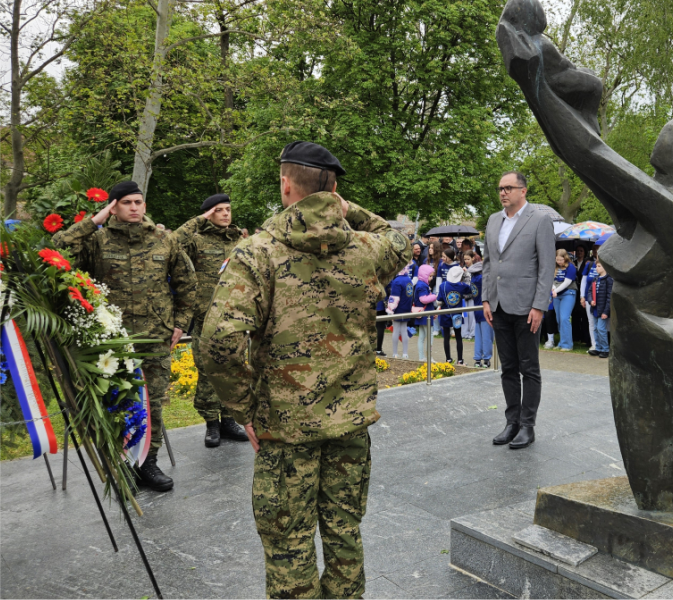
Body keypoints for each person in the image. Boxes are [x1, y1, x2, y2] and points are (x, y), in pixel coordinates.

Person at [200, 141, 411, 599]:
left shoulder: (256, 253)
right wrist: (348, 209)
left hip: (285, 428)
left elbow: (218, 344)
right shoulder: (366, 248)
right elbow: (400, 240)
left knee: (288, 544)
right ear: (334, 190)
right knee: (344, 532)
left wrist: (245, 409)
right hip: (349, 423)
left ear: (285, 184)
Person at [52, 180, 198, 492]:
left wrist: (180, 323)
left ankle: (148, 463)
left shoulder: (165, 240)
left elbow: (187, 282)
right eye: (126, 202)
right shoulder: (97, 240)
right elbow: (58, 251)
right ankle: (122, 466)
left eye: (138, 202)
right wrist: (94, 221)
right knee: (116, 400)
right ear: (113, 207)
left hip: (155, 336)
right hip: (111, 340)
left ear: (145, 205)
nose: (134, 208)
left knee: (153, 402)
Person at [482, 171, 555, 450]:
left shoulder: (539, 220)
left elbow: (546, 267)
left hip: (526, 307)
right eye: (500, 188)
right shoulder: (493, 220)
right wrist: (486, 299)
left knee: (529, 368)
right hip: (498, 305)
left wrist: (539, 305)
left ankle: (527, 426)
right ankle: (511, 422)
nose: (503, 192)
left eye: (508, 188)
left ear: (523, 191)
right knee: (508, 368)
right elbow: (488, 264)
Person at [173, 193, 249, 447]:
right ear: (207, 214)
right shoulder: (196, 240)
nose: (226, 213)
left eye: (228, 209)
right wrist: (199, 220)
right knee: (206, 370)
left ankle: (228, 420)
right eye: (219, 210)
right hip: (205, 317)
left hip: (234, 317)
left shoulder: (239, 240)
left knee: (232, 368)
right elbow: (172, 245)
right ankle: (211, 424)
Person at [437, 265, 469, 365]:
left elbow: (439, 301)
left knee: (446, 337)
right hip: (457, 314)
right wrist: (466, 274)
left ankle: (448, 359)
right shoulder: (462, 286)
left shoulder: (443, 285)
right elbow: (470, 288)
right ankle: (460, 360)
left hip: (445, 313)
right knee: (458, 336)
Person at [468, 254, 493, 368]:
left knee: (478, 336)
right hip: (485, 310)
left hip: (476, 310)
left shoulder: (473, 279)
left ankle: (477, 359)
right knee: (487, 336)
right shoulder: (481, 279)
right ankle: (487, 359)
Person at [584, 259, 613, 358]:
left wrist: (606, 311)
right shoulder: (595, 279)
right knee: (595, 328)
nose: (597, 268)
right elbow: (589, 292)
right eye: (596, 266)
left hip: (603, 309)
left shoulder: (608, 280)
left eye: (599, 266)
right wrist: (590, 300)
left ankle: (605, 349)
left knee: (601, 329)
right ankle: (598, 347)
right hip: (595, 308)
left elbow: (609, 297)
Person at [551, 249, 577, 351]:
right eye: (557, 260)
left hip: (568, 293)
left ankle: (567, 344)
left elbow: (567, 282)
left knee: (564, 318)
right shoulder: (554, 266)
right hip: (556, 294)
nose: (559, 262)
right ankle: (562, 342)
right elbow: (551, 279)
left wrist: (555, 291)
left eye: (561, 260)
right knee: (558, 319)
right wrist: (553, 289)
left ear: (565, 258)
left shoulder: (571, 267)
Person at [387, 265, 414, 358]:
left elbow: (394, 298)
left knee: (396, 330)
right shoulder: (409, 280)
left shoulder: (397, 281)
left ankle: (395, 353)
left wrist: (390, 310)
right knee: (404, 330)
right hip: (407, 308)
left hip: (398, 309)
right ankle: (405, 353)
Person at [413, 264, 437, 360]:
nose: (431, 278)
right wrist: (434, 296)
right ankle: (429, 358)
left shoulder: (420, 284)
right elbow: (423, 299)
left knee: (422, 337)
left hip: (422, 313)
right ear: (424, 275)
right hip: (426, 314)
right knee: (429, 336)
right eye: (430, 276)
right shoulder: (422, 285)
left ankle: (421, 357)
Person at [580, 247, 600, 354]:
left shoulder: (607, 265)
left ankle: (603, 345)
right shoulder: (590, 264)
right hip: (589, 297)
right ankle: (594, 344)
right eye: (595, 250)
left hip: (601, 298)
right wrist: (582, 296)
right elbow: (583, 281)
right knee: (591, 321)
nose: (596, 252)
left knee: (602, 322)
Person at [572, 245, 591, 345]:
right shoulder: (573, 262)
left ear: (584, 252)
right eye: (578, 251)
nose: (579, 252)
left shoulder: (588, 262)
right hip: (575, 290)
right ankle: (575, 336)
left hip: (583, 290)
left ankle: (585, 337)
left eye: (581, 251)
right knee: (575, 314)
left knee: (584, 315)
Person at [461, 251, 478, 340]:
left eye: (468, 259)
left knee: (472, 314)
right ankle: (465, 333)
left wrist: (467, 272)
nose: (466, 261)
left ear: (473, 258)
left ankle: (473, 333)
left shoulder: (476, 269)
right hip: (464, 294)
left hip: (472, 294)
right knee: (465, 315)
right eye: (465, 259)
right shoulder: (462, 269)